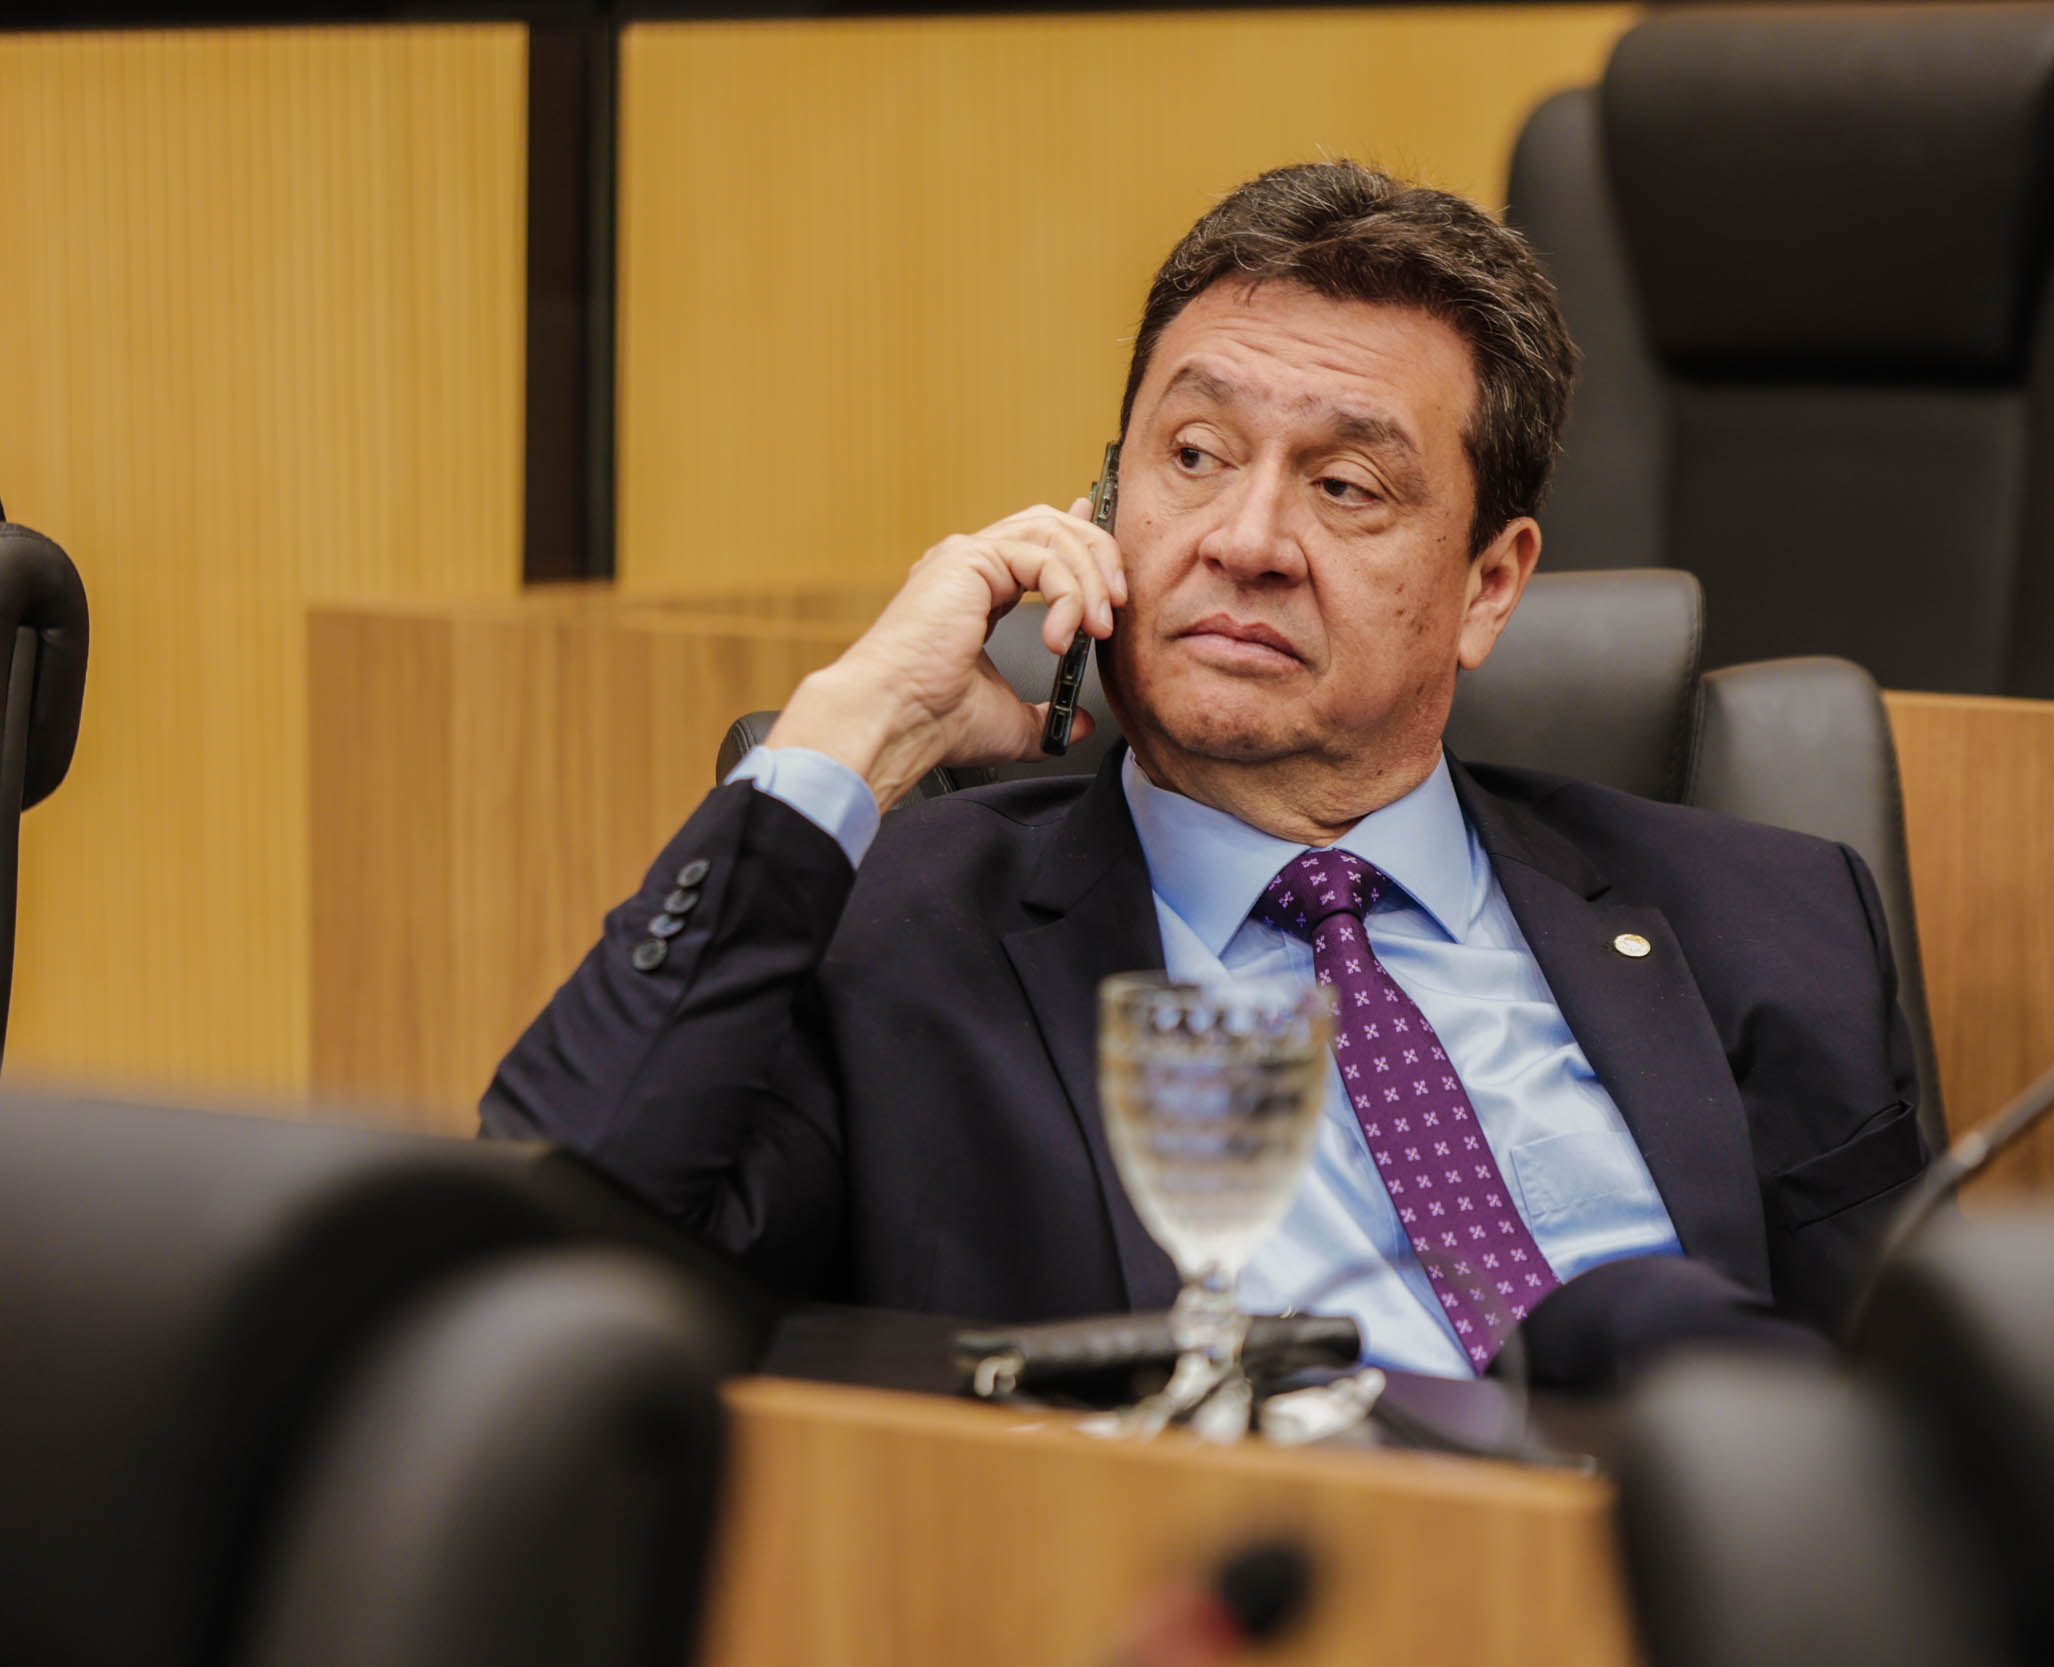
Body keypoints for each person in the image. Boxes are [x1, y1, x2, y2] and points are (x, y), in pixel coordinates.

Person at [483, 161, 1925, 1378]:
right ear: (1106, 500)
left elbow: (1914, 1419)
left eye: (1344, 486)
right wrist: (850, 728)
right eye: (1192, 454)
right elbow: (555, 1249)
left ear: (1489, 585)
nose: (1244, 539)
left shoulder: (1767, 921)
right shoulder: (898, 940)